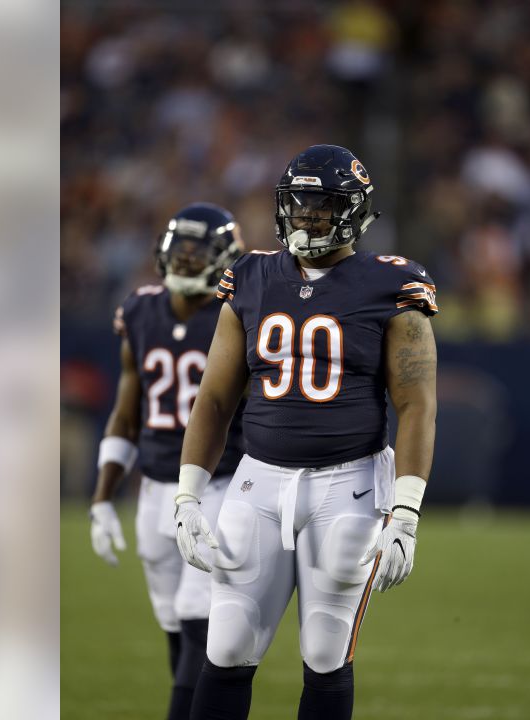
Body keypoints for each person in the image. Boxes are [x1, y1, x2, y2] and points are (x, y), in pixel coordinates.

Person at [173, 145, 439, 720]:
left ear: (355, 211)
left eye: (323, 205)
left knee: (324, 649)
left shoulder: (391, 284)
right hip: (258, 480)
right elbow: (215, 398)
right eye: (299, 203)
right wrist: (188, 495)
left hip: (350, 484)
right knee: (226, 646)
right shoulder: (248, 277)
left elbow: (416, 405)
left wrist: (407, 512)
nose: (308, 217)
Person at [90, 203, 246, 720]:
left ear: (222, 258)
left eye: (195, 252)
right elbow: (126, 410)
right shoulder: (139, 310)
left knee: (196, 611)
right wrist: (101, 499)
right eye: (178, 249)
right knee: (174, 624)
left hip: (218, 483)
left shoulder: (238, 312)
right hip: (154, 488)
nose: (183, 260)